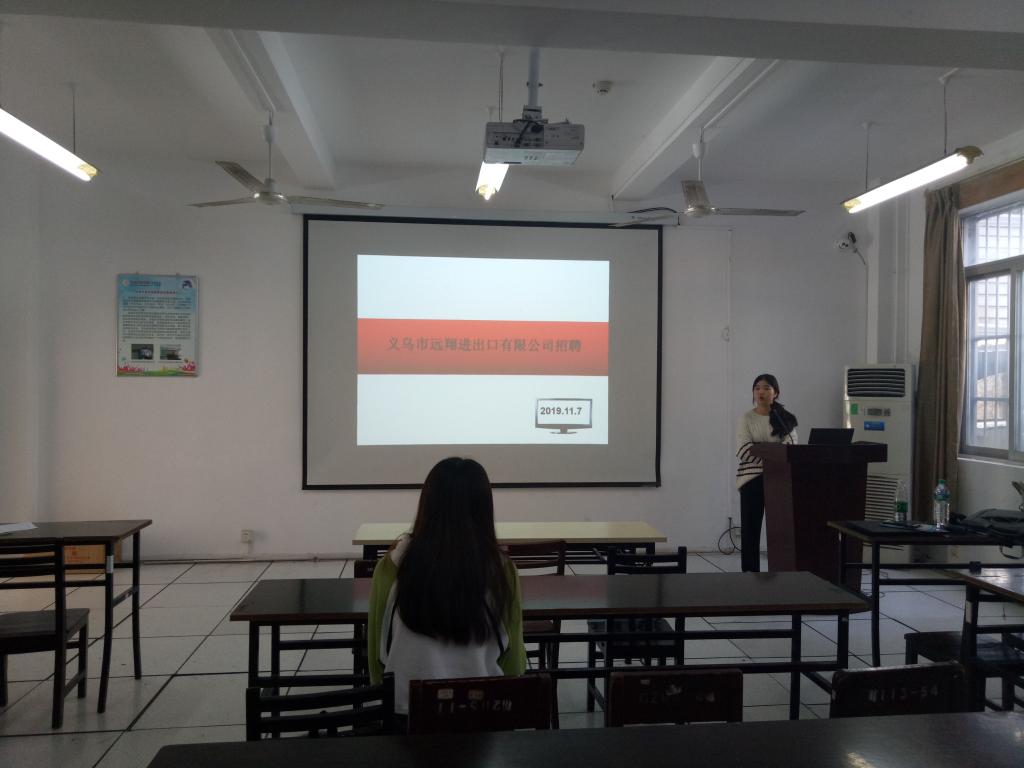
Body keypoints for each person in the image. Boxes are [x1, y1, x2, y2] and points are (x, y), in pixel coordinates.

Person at [367, 457, 526, 716]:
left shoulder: (391, 567)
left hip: (406, 714)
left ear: (426, 505)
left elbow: (377, 658)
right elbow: (514, 663)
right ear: (484, 509)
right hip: (482, 713)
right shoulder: (502, 571)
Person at [735, 373, 798, 572]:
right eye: (757, 388)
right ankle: (749, 574)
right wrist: (774, 452)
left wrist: (761, 448)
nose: (761, 392)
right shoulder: (746, 418)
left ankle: (780, 574)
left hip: (779, 480)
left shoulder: (784, 418)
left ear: (776, 393)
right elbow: (743, 450)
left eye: (766, 388)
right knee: (750, 531)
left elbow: (792, 447)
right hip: (751, 480)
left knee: (780, 531)